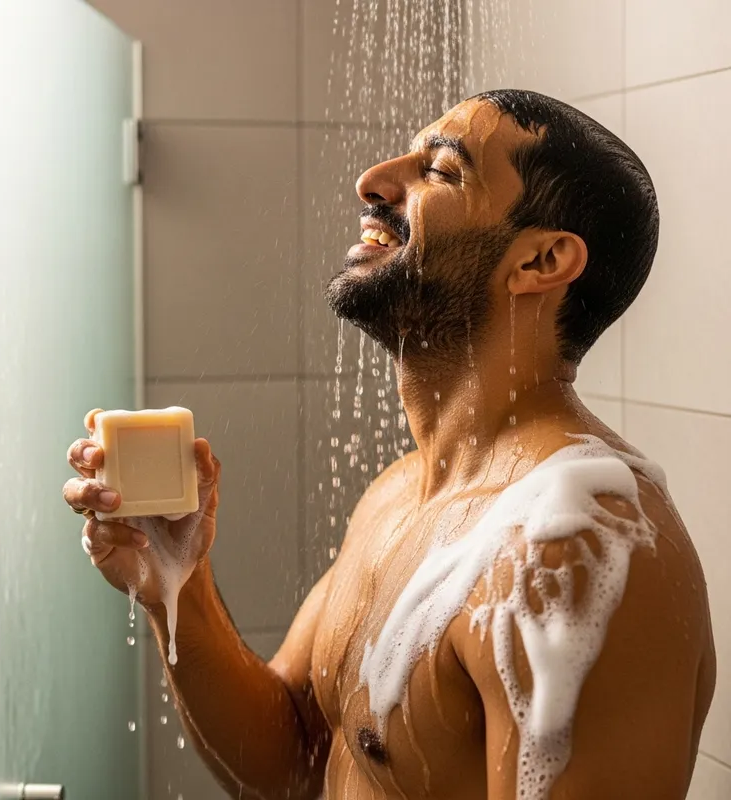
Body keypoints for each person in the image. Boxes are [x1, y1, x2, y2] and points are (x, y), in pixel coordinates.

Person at [63, 89, 715, 799]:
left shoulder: (578, 549)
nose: (371, 180)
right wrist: (174, 587)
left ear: (541, 261)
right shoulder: (402, 494)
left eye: (440, 169)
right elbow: (295, 761)